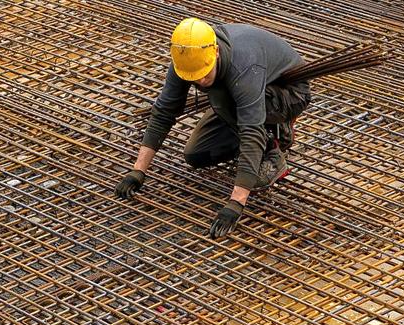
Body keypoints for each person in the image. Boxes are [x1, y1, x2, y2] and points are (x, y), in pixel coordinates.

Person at [115, 18, 312, 238]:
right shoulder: (185, 58)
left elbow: (250, 129)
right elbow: (164, 111)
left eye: (204, 74)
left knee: (222, 97)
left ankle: (273, 147)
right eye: (194, 78)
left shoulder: (243, 65)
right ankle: (252, 131)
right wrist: (137, 171)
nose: (199, 81)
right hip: (237, 96)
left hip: (287, 93)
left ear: (216, 52)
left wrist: (236, 203)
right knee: (196, 155)